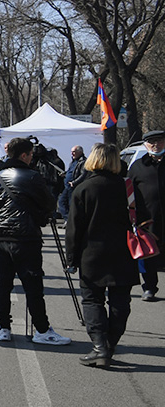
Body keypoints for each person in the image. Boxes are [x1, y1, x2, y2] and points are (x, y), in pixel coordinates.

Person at [0, 137, 70, 345]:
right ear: (24, 155)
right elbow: (50, 203)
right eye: (31, 155)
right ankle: (41, 329)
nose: (32, 158)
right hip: (25, 237)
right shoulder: (32, 176)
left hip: (1, 236)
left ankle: (3, 327)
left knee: (3, 284)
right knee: (33, 285)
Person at [66, 143, 137, 368]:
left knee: (92, 299)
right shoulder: (127, 187)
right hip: (124, 251)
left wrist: (71, 258)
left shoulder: (84, 189)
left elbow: (74, 228)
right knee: (120, 301)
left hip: (92, 253)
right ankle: (110, 343)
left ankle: (99, 346)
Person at [128, 130, 165, 301]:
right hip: (148, 220)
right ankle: (150, 287)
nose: (156, 145)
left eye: (160, 141)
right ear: (145, 145)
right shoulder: (137, 167)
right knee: (149, 256)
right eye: (152, 142)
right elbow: (129, 194)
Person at [58, 145, 86, 220]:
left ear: (80, 152)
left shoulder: (82, 162)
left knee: (72, 204)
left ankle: (73, 220)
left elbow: (83, 174)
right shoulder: (73, 161)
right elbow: (71, 171)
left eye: (74, 152)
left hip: (73, 186)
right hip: (67, 186)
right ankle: (68, 219)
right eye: (71, 152)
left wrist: (74, 182)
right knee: (61, 202)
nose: (72, 154)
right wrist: (65, 174)